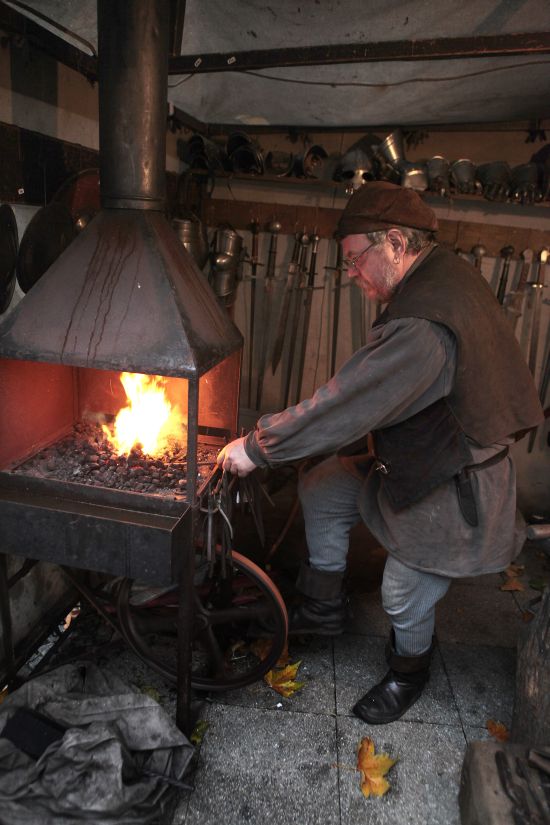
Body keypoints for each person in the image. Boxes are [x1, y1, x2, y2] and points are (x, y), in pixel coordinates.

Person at [216, 181, 543, 725]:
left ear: (394, 242)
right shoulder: (438, 273)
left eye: (354, 259)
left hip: (456, 479)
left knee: (402, 592)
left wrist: (259, 446)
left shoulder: (424, 322)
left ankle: (408, 670)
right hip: (422, 451)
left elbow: (351, 401)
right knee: (323, 486)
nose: (351, 272)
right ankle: (323, 605)